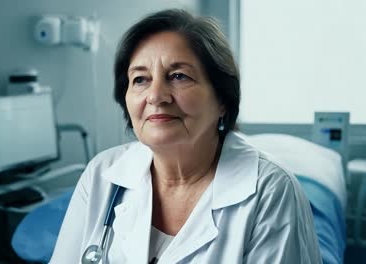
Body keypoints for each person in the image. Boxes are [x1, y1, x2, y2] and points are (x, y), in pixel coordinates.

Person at [49, 9, 321, 263]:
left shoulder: (270, 191)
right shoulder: (102, 174)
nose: (156, 96)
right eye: (140, 79)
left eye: (179, 76)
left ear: (223, 99)